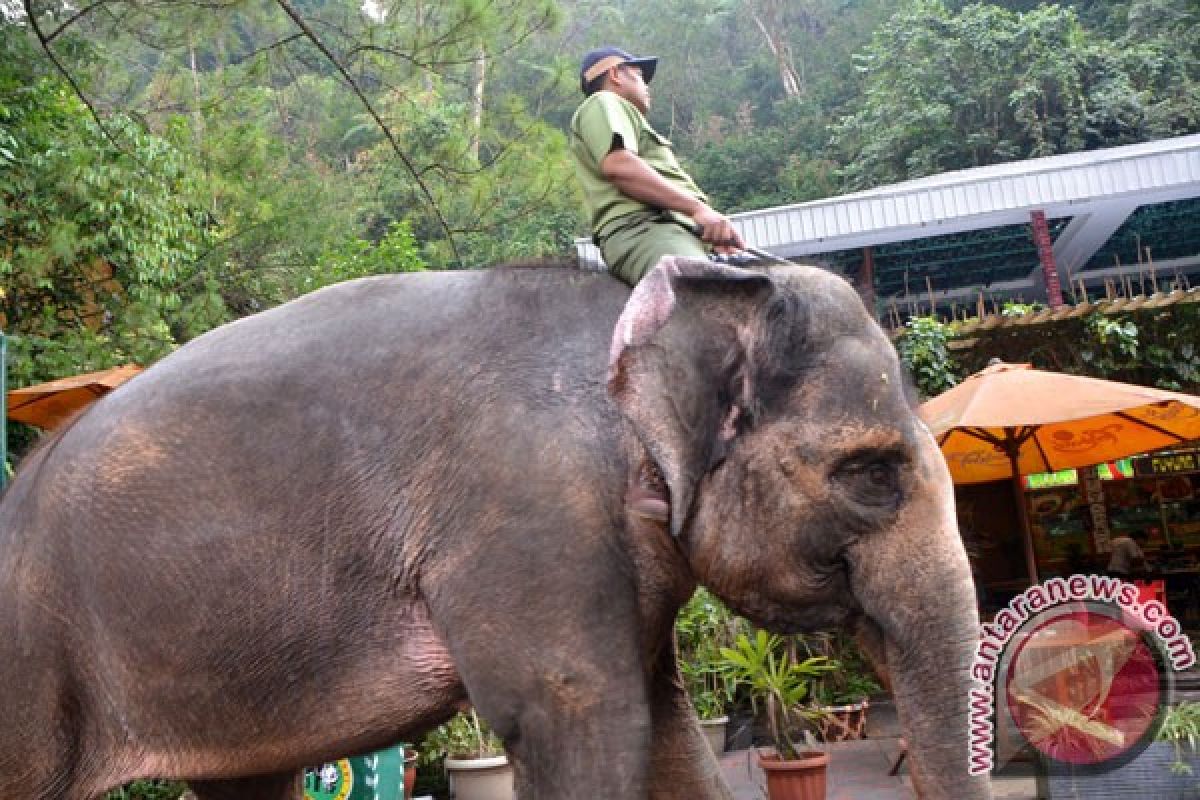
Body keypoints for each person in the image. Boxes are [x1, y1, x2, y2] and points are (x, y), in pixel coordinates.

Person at [568, 46, 746, 288]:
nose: (647, 86)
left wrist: (703, 232)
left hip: (668, 232)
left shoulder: (624, 116)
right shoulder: (603, 101)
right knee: (707, 296)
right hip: (645, 229)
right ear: (615, 75)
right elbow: (619, 166)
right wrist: (697, 209)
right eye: (640, 76)